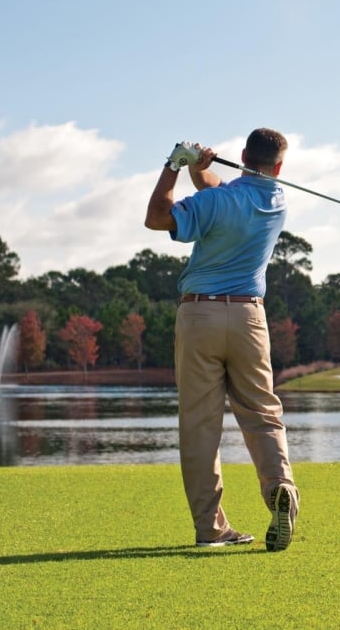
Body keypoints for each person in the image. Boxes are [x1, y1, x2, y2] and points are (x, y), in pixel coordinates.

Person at [144, 128, 298, 551]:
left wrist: (175, 165)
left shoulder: (216, 201)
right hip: (249, 316)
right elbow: (221, 195)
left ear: (244, 154)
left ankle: (211, 528)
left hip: (199, 314)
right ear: (278, 167)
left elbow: (158, 217)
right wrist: (202, 169)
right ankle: (280, 490)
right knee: (262, 413)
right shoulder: (277, 200)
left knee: (200, 425)